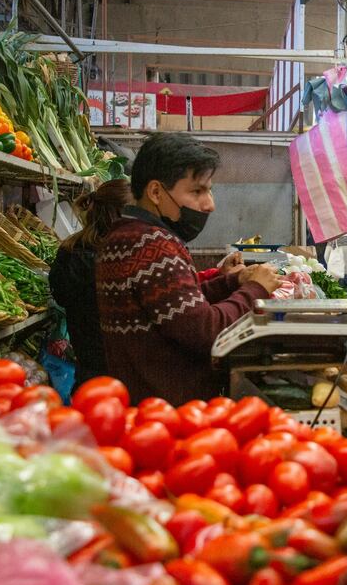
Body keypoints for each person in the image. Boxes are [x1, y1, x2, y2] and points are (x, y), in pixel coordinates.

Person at [96, 133, 282, 405]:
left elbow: (171, 307)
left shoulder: (123, 236)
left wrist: (231, 282)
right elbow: (206, 331)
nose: (210, 204)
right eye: (197, 191)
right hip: (168, 411)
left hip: (144, 404)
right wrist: (255, 290)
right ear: (156, 192)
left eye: (209, 190)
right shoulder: (154, 245)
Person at [49, 179, 134, 385]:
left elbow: (61, 296)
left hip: (88, 370)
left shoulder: (71, 249)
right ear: (120, 215)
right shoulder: (113, 258)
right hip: (118, 374)